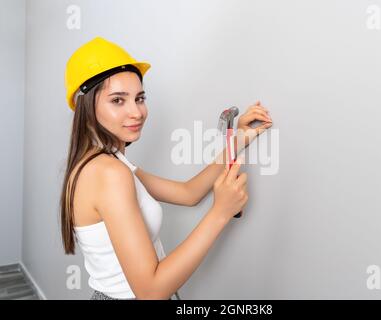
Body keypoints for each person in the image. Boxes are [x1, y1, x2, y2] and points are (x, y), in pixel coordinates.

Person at [59, 36, 273, 300]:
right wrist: (220, 212)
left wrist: (238, 139)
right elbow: (151, 291)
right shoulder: (108, 173)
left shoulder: (108, 163)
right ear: (87, 107)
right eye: (117, 100)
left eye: (139, 98)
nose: (137, 112)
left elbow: (188, 193)